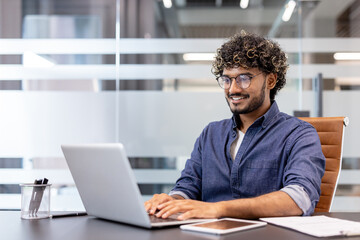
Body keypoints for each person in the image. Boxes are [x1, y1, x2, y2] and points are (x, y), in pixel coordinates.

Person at [144, 31, 325, 220]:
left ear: (270, 80)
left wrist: (219, 209)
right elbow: (188, 187)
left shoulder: (298, 134)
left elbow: (299, 198)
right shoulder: (211, 134)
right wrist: (171, 201)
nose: (233, 89)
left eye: (244, 78)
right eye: (227, 79)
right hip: (207, 233)